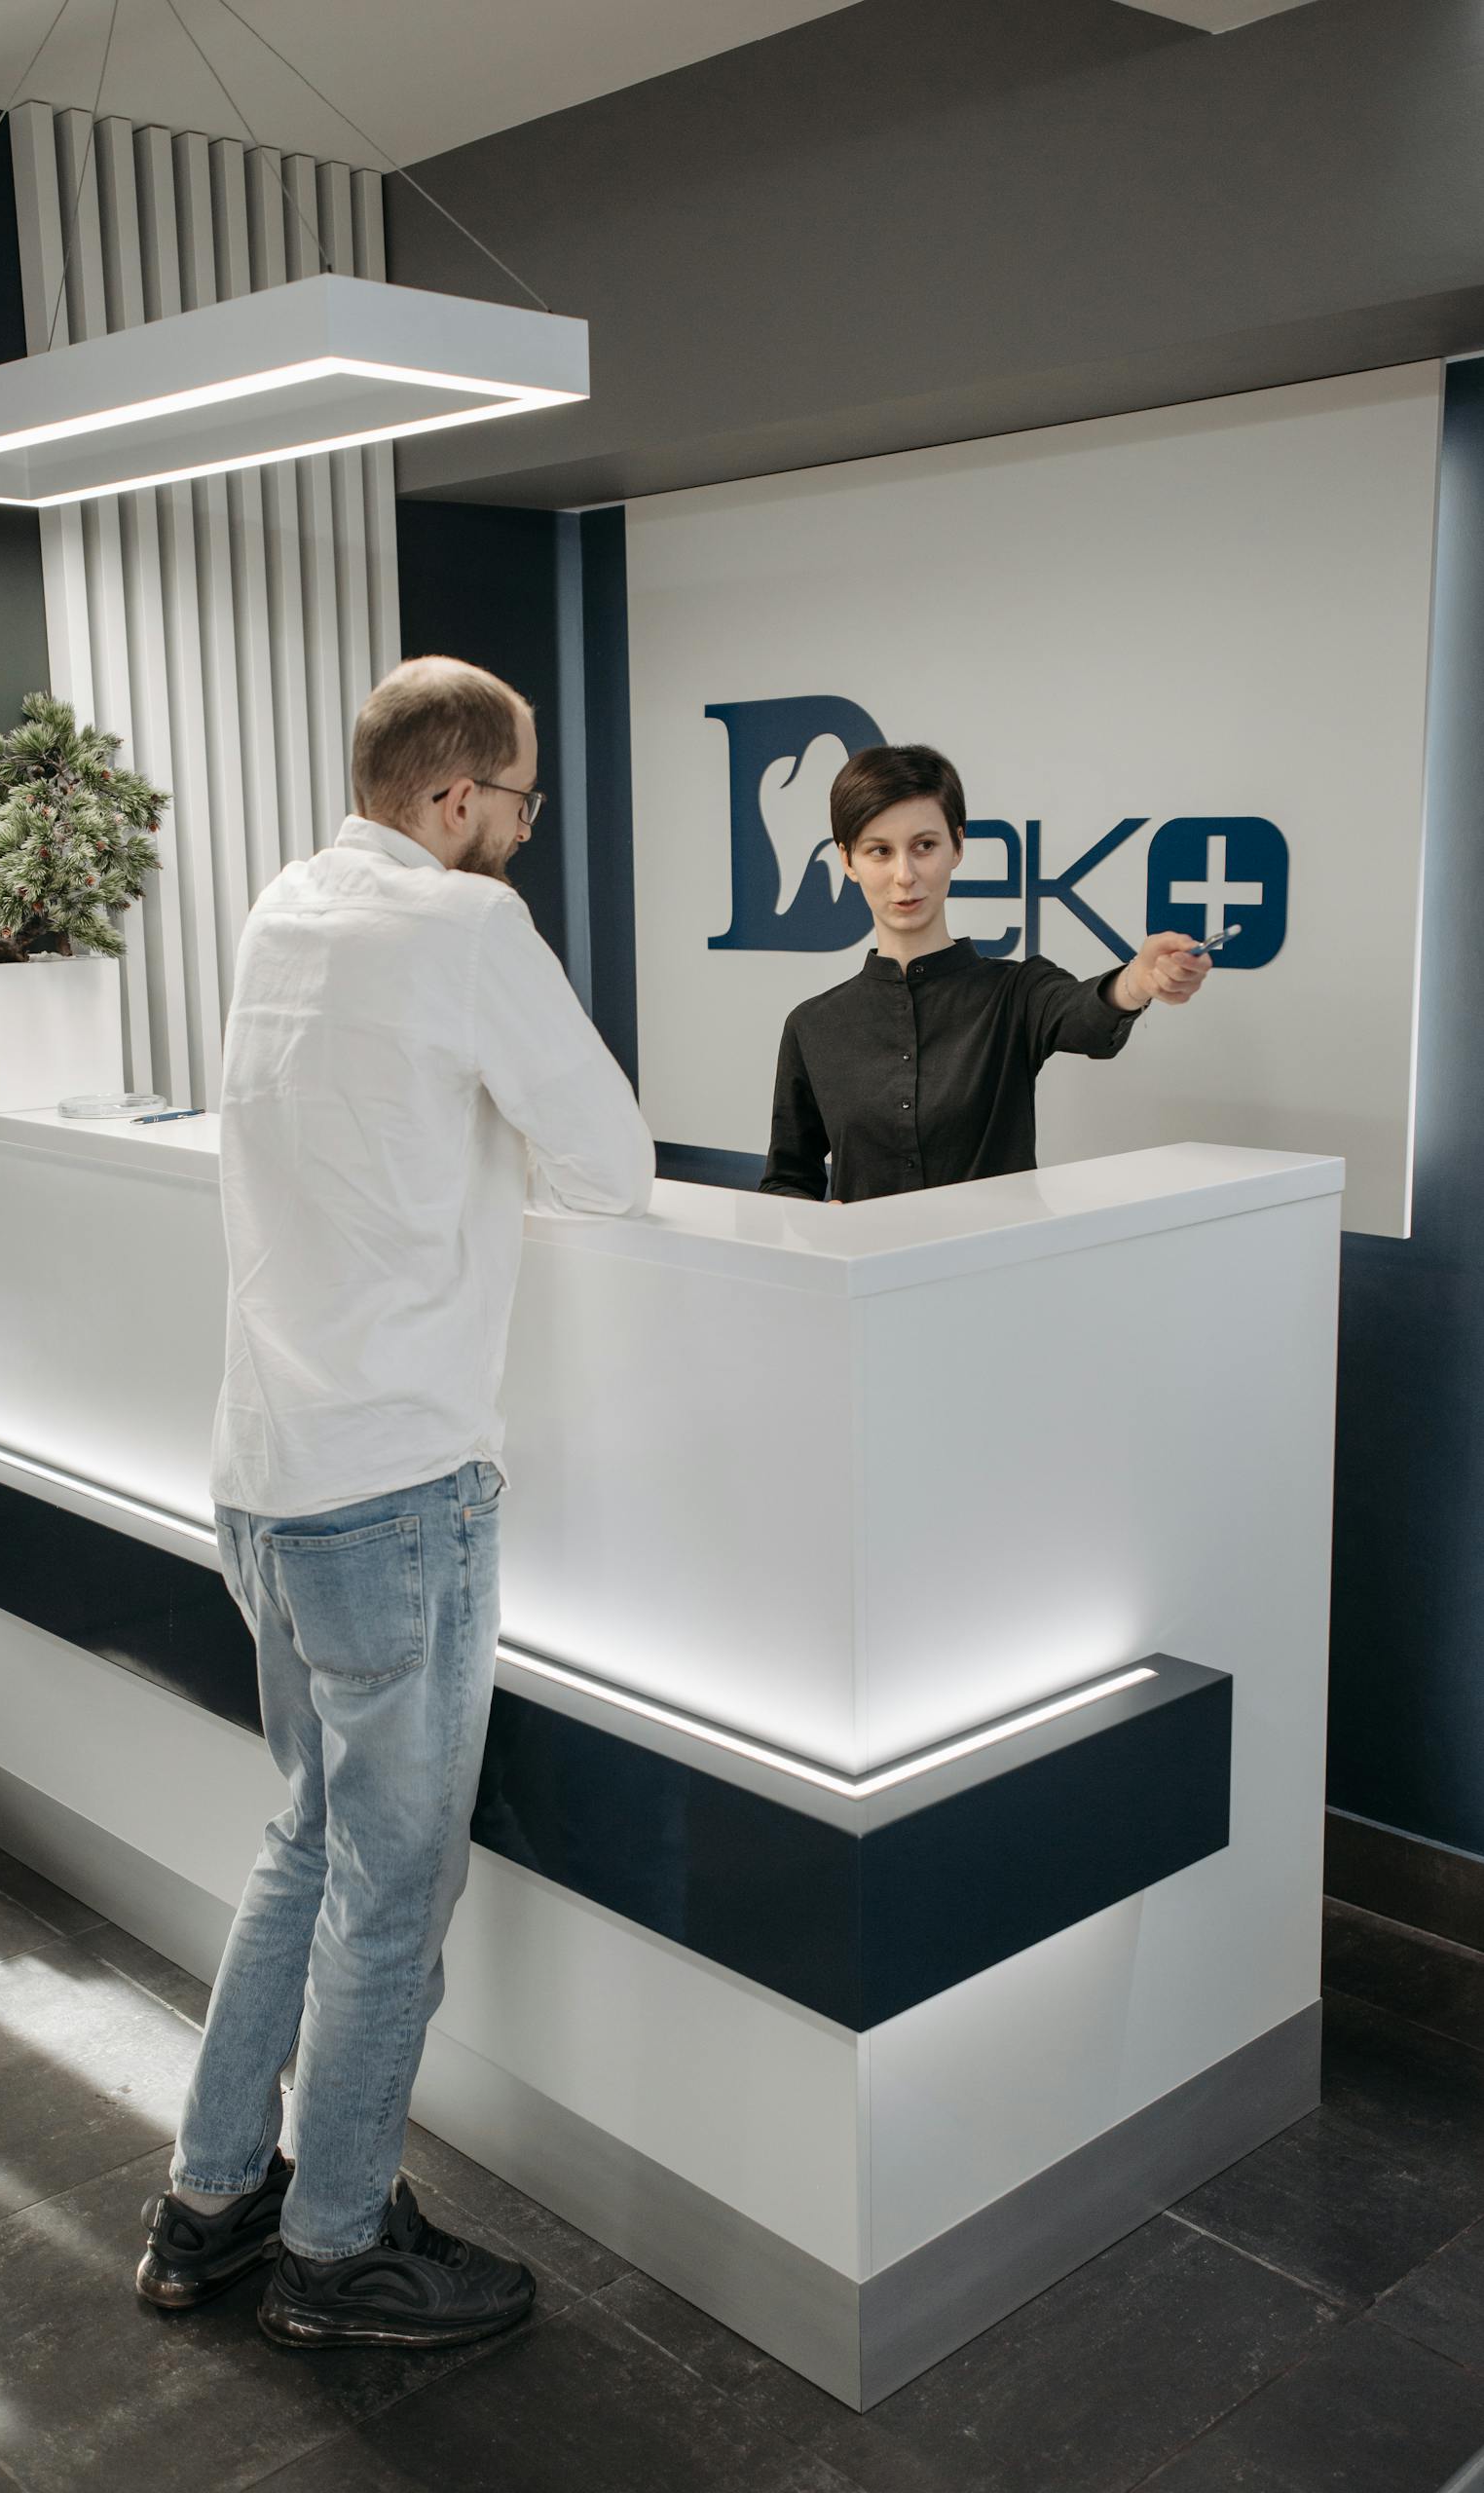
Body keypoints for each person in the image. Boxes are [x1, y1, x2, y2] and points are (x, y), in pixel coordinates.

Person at [136, 656, 654, 2348]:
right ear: (453, 801)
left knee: (303, 1840)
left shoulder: (280, 909)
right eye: (515, 806)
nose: (517, 835)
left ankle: (213, 2199)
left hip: (265, 1483)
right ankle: (339, 2245)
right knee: (388, 1888)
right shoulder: (462, 930)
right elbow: (612, 1159)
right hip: (393, 1492)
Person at [761, 743, 1209, 1203]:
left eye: (924, 846)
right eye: (879, 851)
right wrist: (813, 1222)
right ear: (847, 861)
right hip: (866, 1272)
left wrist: (1137, 981)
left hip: (997, 1270)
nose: (904, 875)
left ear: (957, 846)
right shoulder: (811, 1025)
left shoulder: (1016, 992)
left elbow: (1082, 1016)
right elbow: (787, 1179)